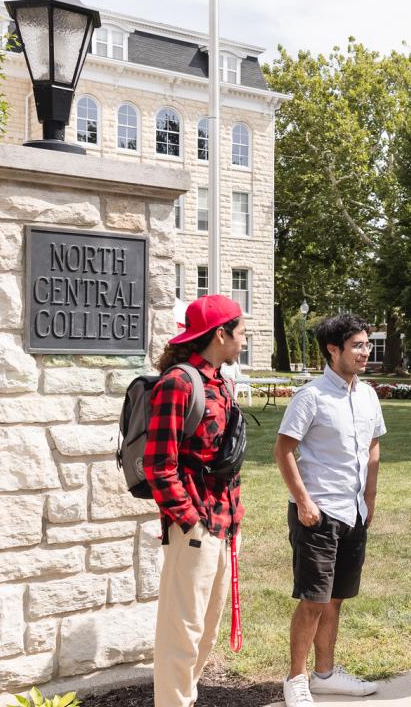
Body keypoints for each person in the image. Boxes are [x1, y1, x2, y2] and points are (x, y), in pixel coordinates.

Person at [274, 314, 386, 706]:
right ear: (333, 349)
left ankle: (325, 674)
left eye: (366, 344)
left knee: (336, 598)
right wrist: (304, 501)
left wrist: (369, 497)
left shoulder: (368, 394)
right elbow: (283, 449)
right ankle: (296, 679)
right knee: (314, 600)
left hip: (354, 511)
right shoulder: (312, 396)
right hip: (319, 514)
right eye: (357, 345)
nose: (365, 352)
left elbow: (373, 444)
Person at [146, 294, 247, 707]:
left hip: (223, 523)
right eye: (240, 331)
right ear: (220, 334)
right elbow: (158, 465)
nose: (244, 337)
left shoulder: (220, 381)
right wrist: (190, 520)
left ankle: (183, 700)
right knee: (181, 632)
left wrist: (229, 520)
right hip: (196, 526)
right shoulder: (179, 383)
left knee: (206, 628)